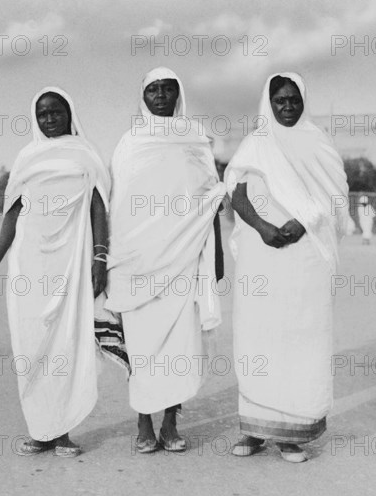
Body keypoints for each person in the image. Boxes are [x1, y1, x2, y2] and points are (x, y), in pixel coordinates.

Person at [0, 87, 110, 457]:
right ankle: (40, 430)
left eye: (56, 112)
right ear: (36, 117)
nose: (49, 119)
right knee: (30, 343)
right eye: (43, 113)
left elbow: (98, 206)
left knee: (66, 343)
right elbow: (13, 213)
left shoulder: (86, 153)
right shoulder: (27, 156)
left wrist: (99, 257)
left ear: (69, 113)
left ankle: (62, 432)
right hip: (29, 262)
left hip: (71, 262)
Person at [225, 72, 349, 463]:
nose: (288, 106)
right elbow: (237, 193)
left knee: (300, 339)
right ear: (269, 101)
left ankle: (292, 435)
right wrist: (262, 228)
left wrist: (303, 222)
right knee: (257, 338)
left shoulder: (318, 143)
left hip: (305, 259)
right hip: (261, 257)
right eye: (280, 100)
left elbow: (336, 197)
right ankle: (253, 430)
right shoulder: (255, 144)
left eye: (294, 99)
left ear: (303, 100)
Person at [105, 67, 226, 453]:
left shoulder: (195, 139)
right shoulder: (129, 143)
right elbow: (116, 205)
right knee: (140, 346)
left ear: (179, 94)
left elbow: (211, 199)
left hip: (183, 258)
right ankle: (143, 421)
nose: (160, 95)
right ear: (143, 96)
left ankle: (171, 423)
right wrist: (108, 257)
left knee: (178, 346)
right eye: (153, 89)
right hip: (135, 260)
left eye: (167, 89)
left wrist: (217, 254)